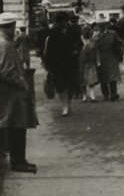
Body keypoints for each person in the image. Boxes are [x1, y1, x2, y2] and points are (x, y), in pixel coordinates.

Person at [0, 12, 37, 173]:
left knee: (12, 125)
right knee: (17, 126)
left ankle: (17, 160)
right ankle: (18, 161)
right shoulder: (5, 44)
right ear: (9, 26)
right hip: (11, 92)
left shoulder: (5, 42)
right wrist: (22, 84)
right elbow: (7, 71)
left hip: (6, 91)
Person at [43, 12, 83, 116]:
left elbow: (80, 44)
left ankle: (68, 103)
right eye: (61, 22)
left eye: (64, 21)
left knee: (71, 85)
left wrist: (76, 51)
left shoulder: (74, 31)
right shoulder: (53, 33)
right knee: (60, 86)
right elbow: (49, 50)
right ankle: (65, 107)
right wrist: (48, 64)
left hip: (71, 62)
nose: (63, 23)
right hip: (57, 64)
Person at [95, 17, 124, 100]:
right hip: (101, 58)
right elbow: (93, 47)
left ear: (106, 25)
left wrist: (119, 54)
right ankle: (105, 94)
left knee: (113, 77)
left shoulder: (112, 34)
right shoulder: (96, 35)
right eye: (100, 25)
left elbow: (120, 43)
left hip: (112, 56)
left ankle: (113, 94)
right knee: (102, 77)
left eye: (103, 25)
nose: (102, 27)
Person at [78, 24, 100, 103]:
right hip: (81, 63)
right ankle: (84, 96)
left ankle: (92, 95)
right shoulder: (79, 40)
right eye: (88, 31)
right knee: (82, 79)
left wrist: (97, 61)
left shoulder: (93, 40)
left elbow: (96, 51)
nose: (90, 33)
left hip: (90, 62)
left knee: (91, 79)